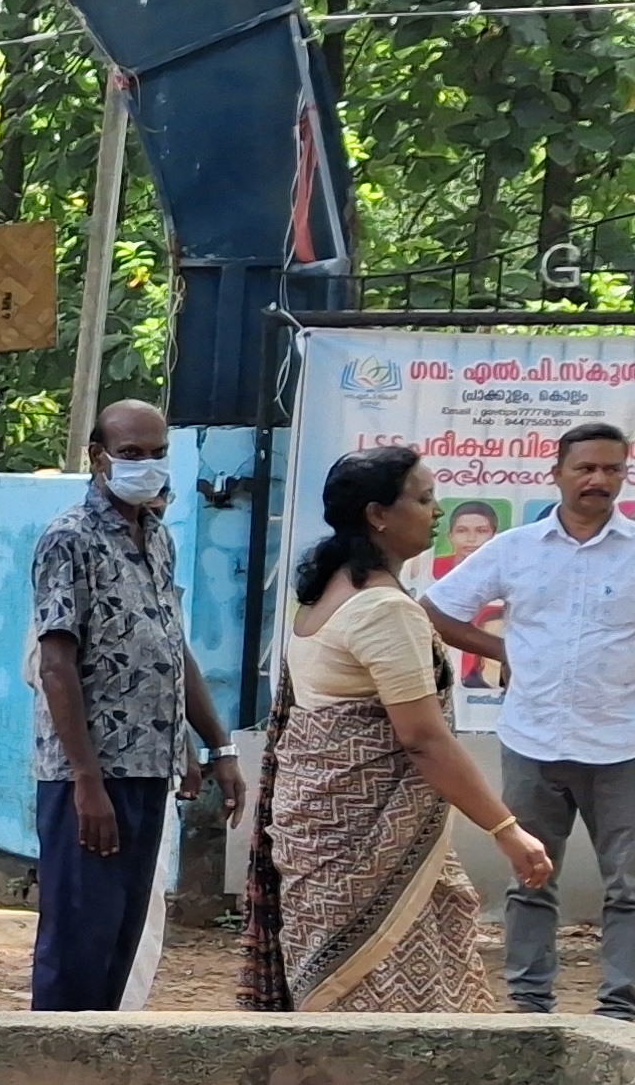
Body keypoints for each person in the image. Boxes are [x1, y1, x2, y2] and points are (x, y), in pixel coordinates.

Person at [248, 445, 551, 1010]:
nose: (438, 511)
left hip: (326, 830)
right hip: (361, 842)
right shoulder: (383, 609)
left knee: (358, 997)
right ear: (378, 515)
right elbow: (424, 739)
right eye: (424, 498)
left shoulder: (327, 594)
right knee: (380, 1005)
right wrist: (506, 828)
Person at [27, 399, 242, 1012]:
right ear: (98, 457)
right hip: (92, 776)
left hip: (151, 770)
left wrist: (216, 745)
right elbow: (56, 665)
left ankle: (102, 1063)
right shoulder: (70, 539)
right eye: (130, 454)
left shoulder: (157, 538)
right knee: (79, 940)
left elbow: (171, 648)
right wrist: (87, 781)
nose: (147, 465)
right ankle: (55, 1061)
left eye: (157, 453)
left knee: (122, 937)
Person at [425, 421, 635, 1016]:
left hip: (622, 741)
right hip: (533, 739)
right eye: (585, 468)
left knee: (629, 886)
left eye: (611, 469)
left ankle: (621, 1010)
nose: (598, 479)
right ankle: (529, 1006)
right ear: (557, 473)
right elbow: (435, 610)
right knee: (531, 877)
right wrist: (502, 650)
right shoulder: (515, 549)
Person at [428, 499, 506, 702]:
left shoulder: (503, 571)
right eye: (462, 531)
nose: (471, 539)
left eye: (481, 531)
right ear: (450, 536)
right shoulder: (432, 570)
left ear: (494, 535)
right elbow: (431, 612)